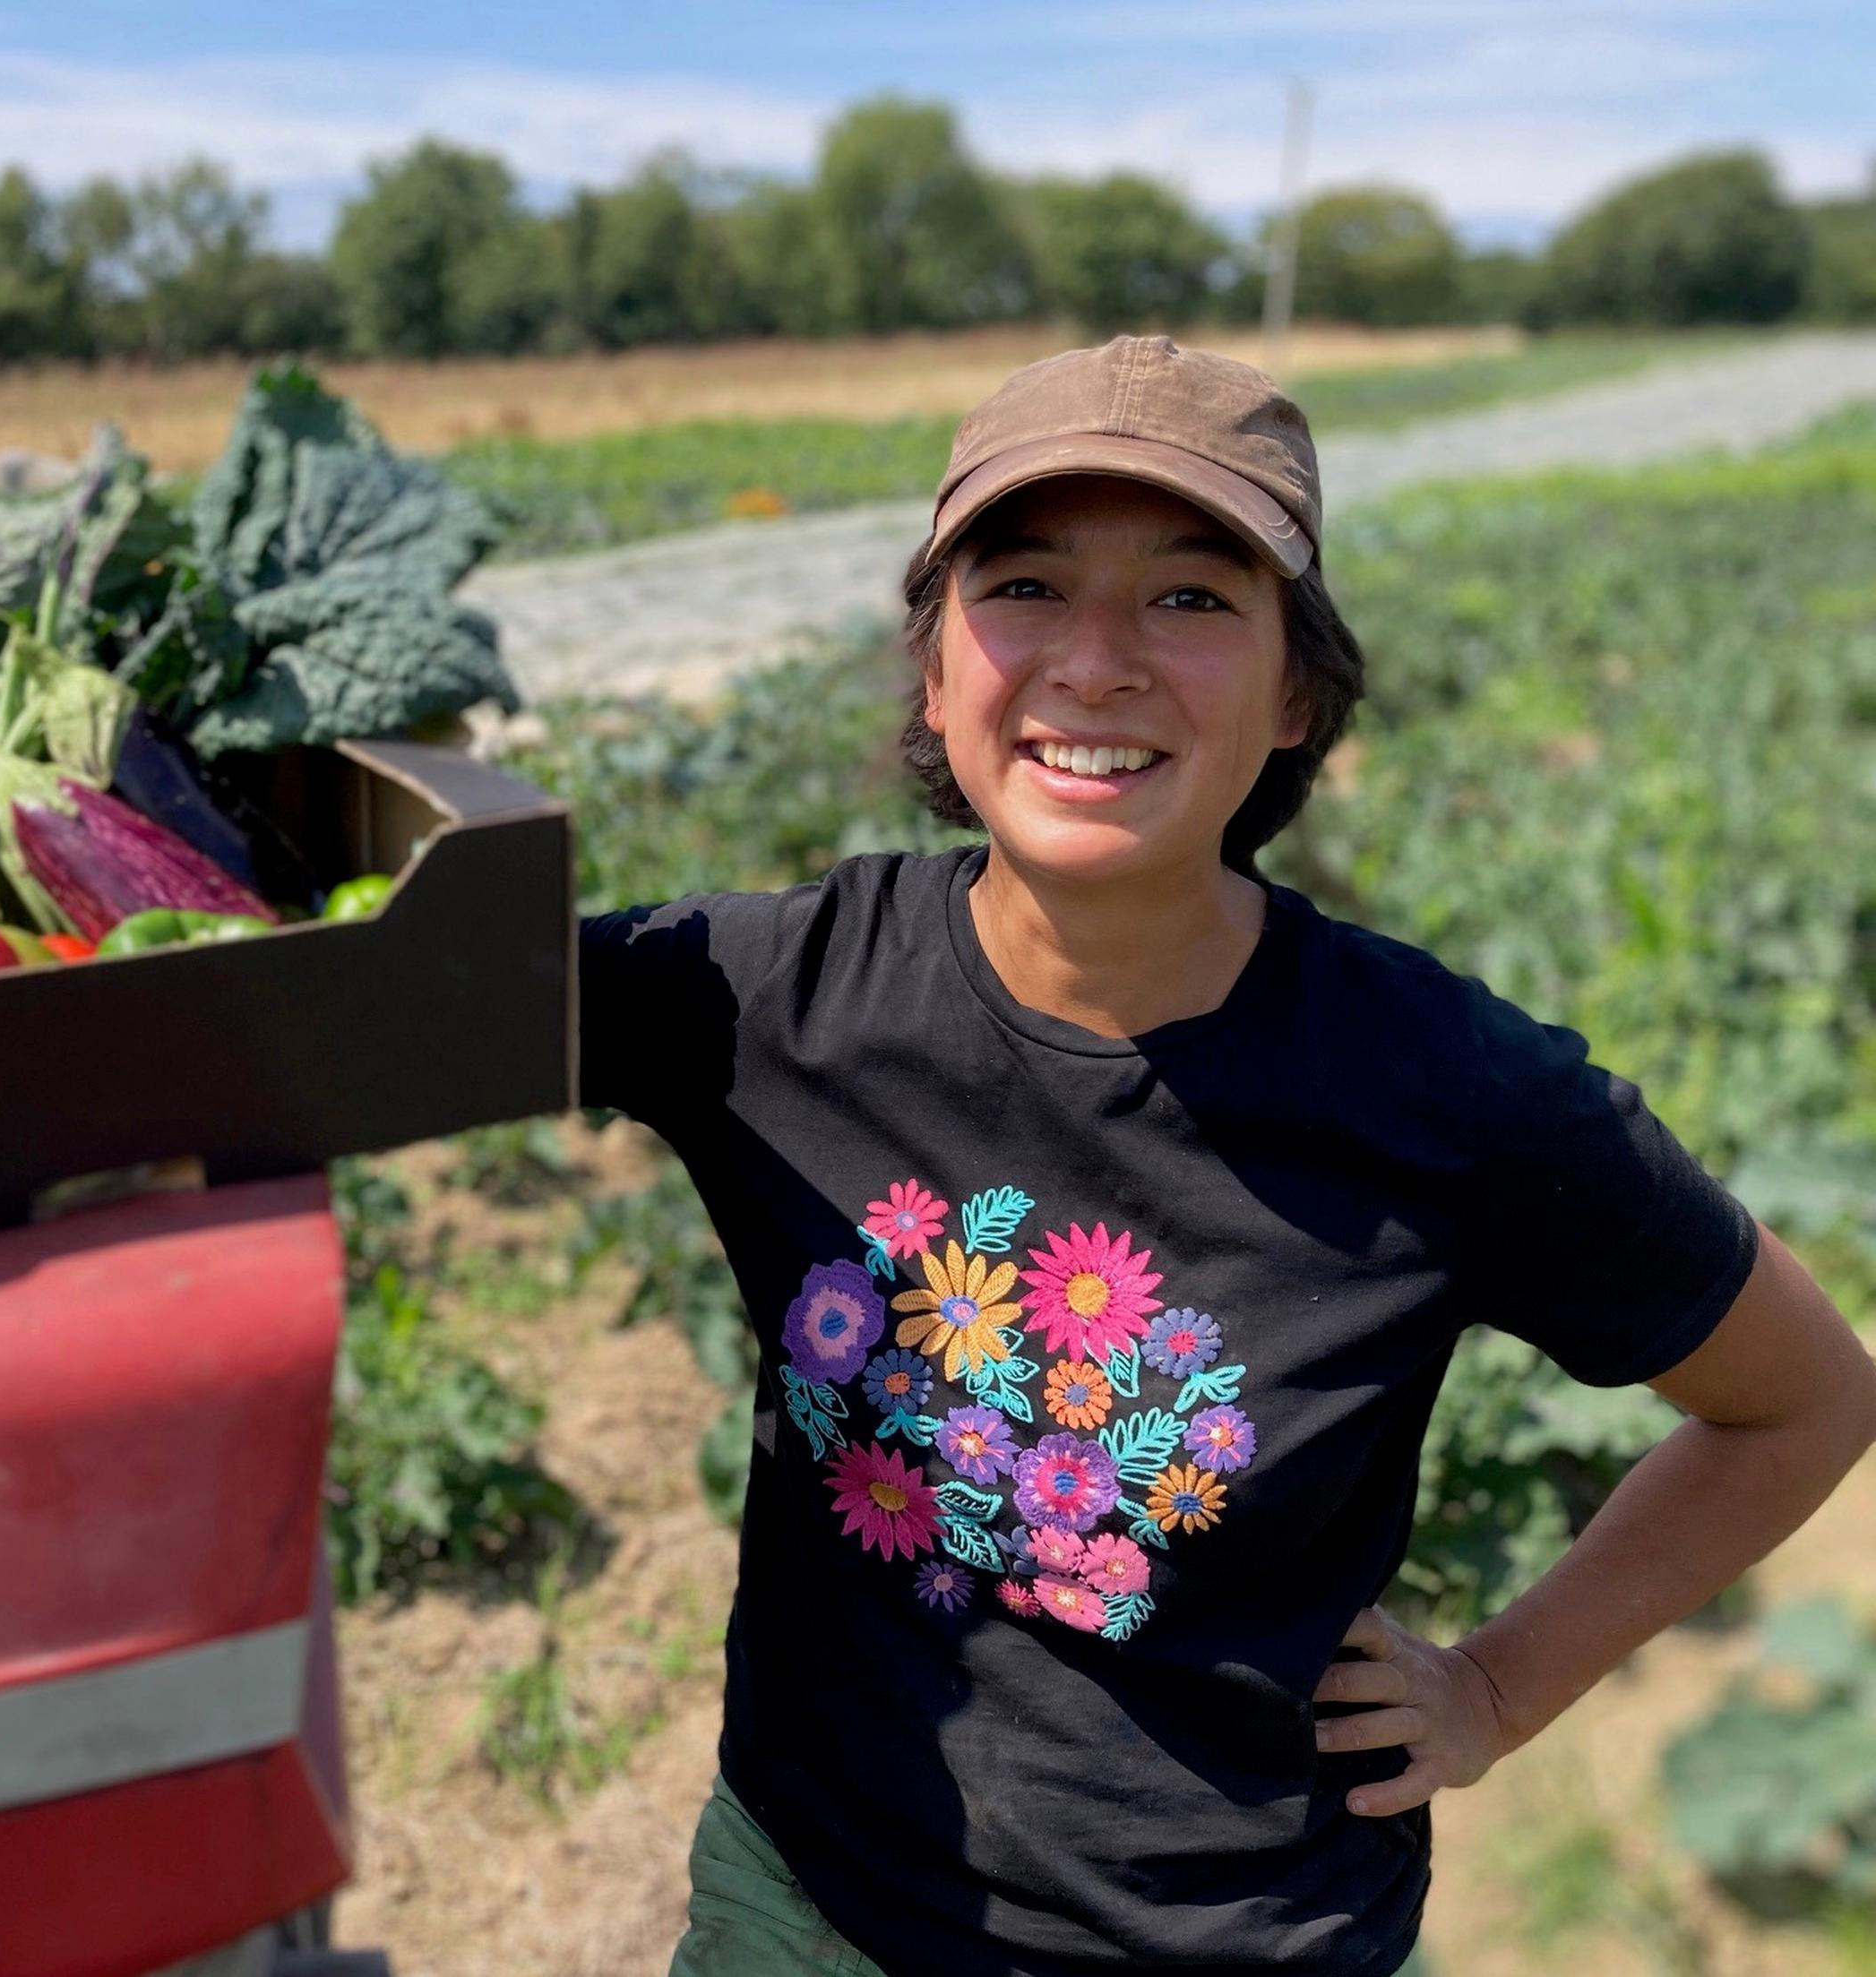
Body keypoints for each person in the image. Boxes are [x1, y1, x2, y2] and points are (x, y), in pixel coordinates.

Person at [577, 333, 1876, 1977]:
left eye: (1191, 597)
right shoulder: (773, 996)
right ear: (934, 667)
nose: (1096, 662)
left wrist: (1494, 1690)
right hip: (812, 1908)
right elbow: (362, 1005)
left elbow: (1804, 1400)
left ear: (1296, 695)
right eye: (1026, 586)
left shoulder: (1443, 1090)